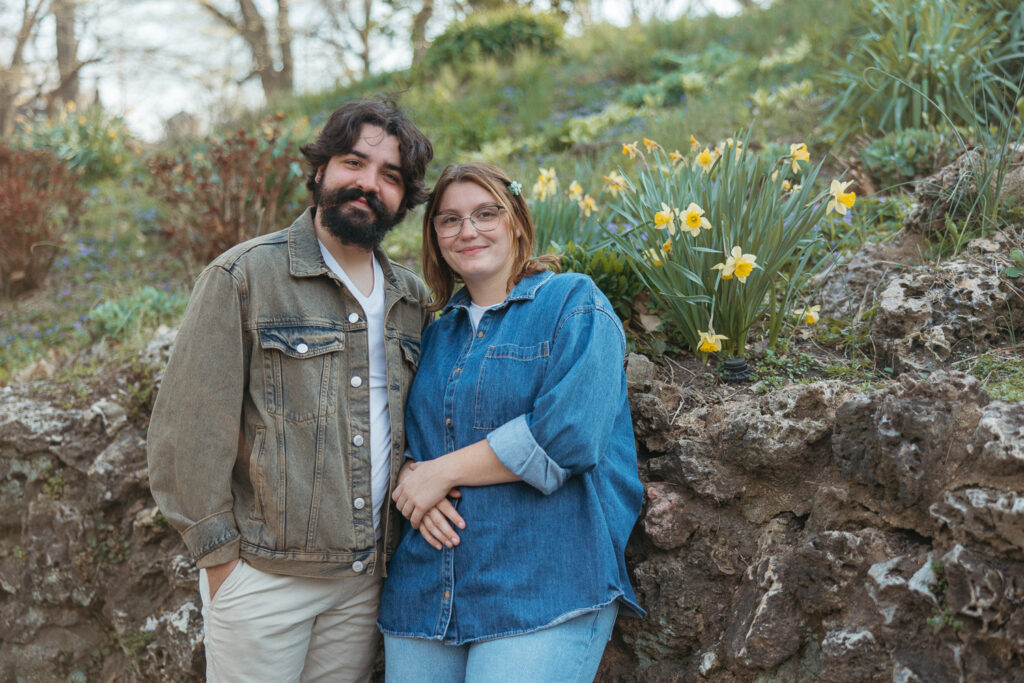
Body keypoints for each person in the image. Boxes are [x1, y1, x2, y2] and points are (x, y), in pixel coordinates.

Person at [146, 99, 433, 682]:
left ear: (404, 198)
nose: (368, 184)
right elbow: (187, 432)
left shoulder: (413, 297)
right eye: (355, 162)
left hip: (362, 582)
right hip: (262, 579)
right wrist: (221, 563)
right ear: (322, 168)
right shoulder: (243, 276)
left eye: (391, 176)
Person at [377, 162, 645, 682]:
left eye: (485, 213)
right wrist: (413, 475)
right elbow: (403, 440)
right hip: (427, 593)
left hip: (543, 586)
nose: (468, 230)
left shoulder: (573, 302)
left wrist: (442, 472)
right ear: (435, 238)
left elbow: (569, 434)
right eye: (449, 220)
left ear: (517, 220)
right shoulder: (433, 335)